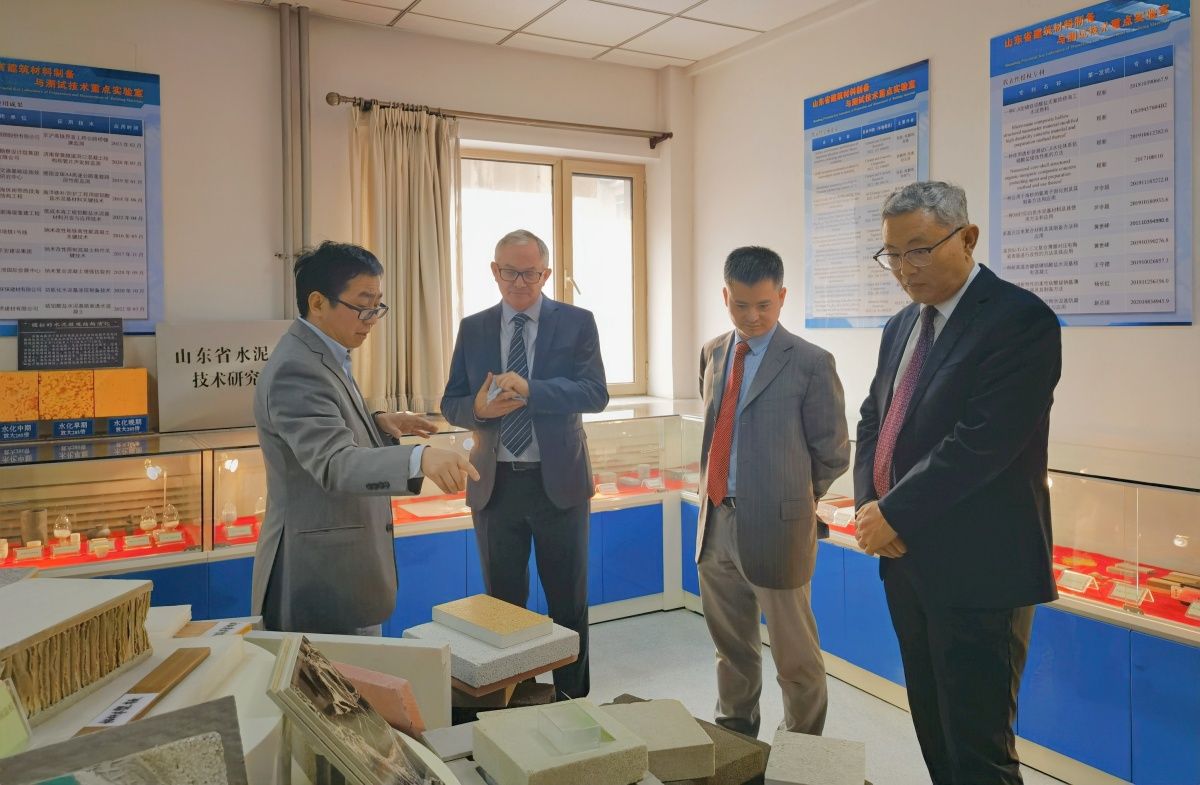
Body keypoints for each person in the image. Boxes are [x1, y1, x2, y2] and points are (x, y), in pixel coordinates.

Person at [853, 182, 1061, 785]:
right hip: (905, 560)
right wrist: (870, 506)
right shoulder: (902, 325)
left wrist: (895, 512)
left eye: (919, 250)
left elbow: (981, 443)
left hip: (979, 568)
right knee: (933, 727)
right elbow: (874, 419)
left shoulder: (1019, 320)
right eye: (892, 254)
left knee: (978, 748)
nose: (904, 268)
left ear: (967, 239)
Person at [251, 241, 478, 636]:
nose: (372, 318)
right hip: (320, 575)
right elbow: (334, 462)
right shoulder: (297, 369)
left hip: (341, 568)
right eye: (363, 305)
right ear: (318, 303)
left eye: (377, 305)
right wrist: (419, 458)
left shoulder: (324, 353)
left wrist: (377, 424)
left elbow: (330, 428)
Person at [441, 229, 608, 700]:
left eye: (530, 274)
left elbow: (595, 393)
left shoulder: (577, 322)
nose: (519, 283)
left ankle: (573, 701)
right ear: (494, 271)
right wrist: (477, 409)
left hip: (559, 485)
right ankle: (515, 698)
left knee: (568, 603)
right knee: (502, 608)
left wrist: (533, 389)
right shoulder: (474, 327)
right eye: (510, 272)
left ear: (546, 274)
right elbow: (451, 402)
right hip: (495, 487)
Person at [695, 245, 849, 738]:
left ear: (782, 296)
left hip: (779, 528)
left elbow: (832, 452)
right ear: (725, 297)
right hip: (716, 522)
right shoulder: (714, 353)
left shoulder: (810, 362)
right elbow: (716, 429)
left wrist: (790, 498)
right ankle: (735, 740)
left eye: (764, 305)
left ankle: (800, 753)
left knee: (795, 657)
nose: (753, 316)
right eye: (741, 305)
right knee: (730, 649)